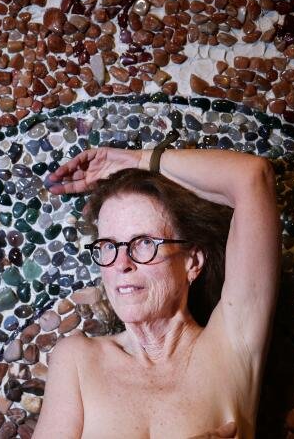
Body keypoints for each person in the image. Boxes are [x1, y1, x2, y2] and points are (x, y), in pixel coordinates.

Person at [32, 145, 280, 439]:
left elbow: (252, 176)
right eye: (109, 246)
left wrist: (140, 160)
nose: (121, 264)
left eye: (144, 243)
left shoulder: (232, 345)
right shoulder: (78, 360)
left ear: (192, 261)